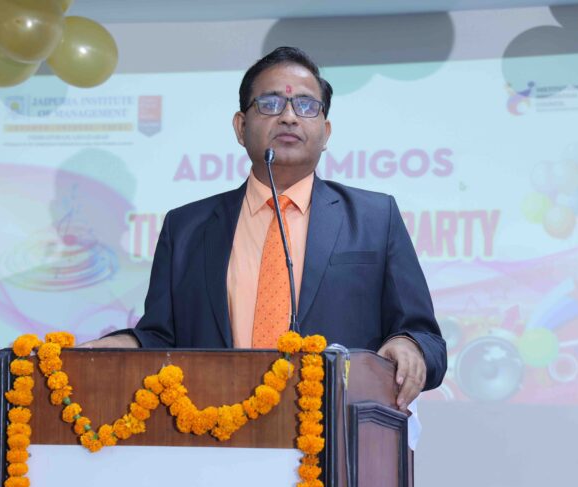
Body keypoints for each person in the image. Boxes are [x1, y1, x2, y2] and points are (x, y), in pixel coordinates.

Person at [81, 46, 447, 413]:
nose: (289, 117)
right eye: (270, 104)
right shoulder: (187, 228)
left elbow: (428, 339)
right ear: (241, 127)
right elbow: (160, 338)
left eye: (306, 106)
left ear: (325, 132)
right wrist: (115, 347)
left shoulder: (374, 218)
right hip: (216, 427)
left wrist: (409, 346)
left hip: (335, 430)